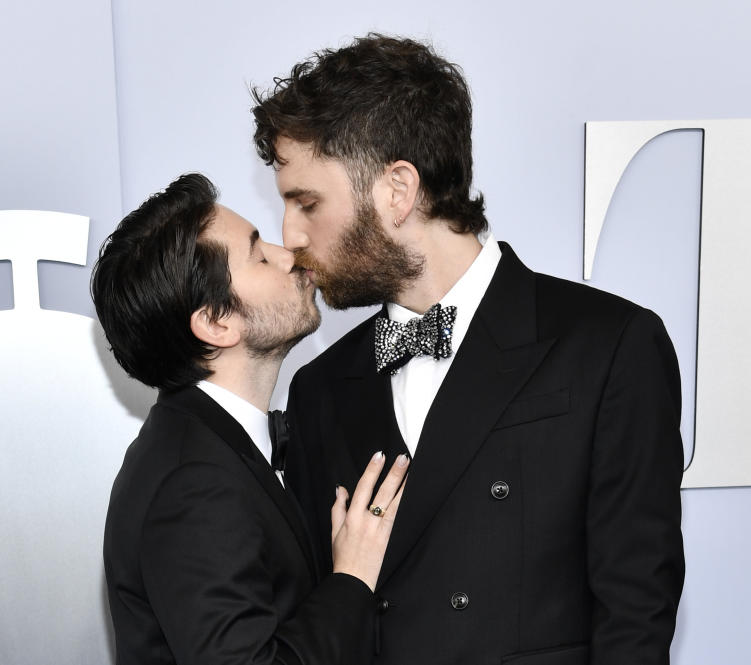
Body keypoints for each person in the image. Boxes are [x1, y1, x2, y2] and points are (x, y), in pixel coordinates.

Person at [251, 34, 685, 664]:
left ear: (397, 189)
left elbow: (636, 621)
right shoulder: (320, 387)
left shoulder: (610, 347)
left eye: (306, 202)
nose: (290, 236)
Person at [91, 172, 409, 665]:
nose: (289, 256)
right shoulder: (192, 483)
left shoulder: (204, 449)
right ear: (217, 322)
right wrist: (352, 578)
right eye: (260, 255)